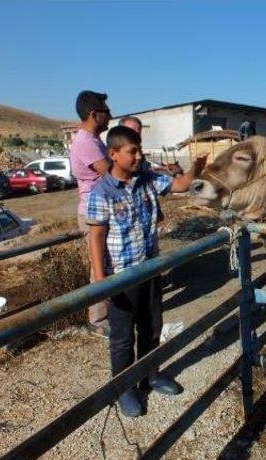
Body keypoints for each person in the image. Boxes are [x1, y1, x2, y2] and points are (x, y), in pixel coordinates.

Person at [86, 126, 206, 417]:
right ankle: (124, 387)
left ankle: (150, 374)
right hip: (123, 276)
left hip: (150, 268)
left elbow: (180, 185)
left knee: (151, 327)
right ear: (113, 154)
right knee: (123, 336)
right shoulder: (102, 192)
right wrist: (101, 281)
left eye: (140, 150)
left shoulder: (147, 180)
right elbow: (96, 238)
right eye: (132, 151)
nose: (138, 156)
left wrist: (196, 169)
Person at [70, 90, 112, 335]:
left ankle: (108, 314)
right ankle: (99, 322)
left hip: (101, 209)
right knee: (99, 266)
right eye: (106, 113)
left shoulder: (94, 141)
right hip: (93, 212)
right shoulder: (86, 142)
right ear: (94, 115)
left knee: (106, 262)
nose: (110, 117)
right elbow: (111, 172)